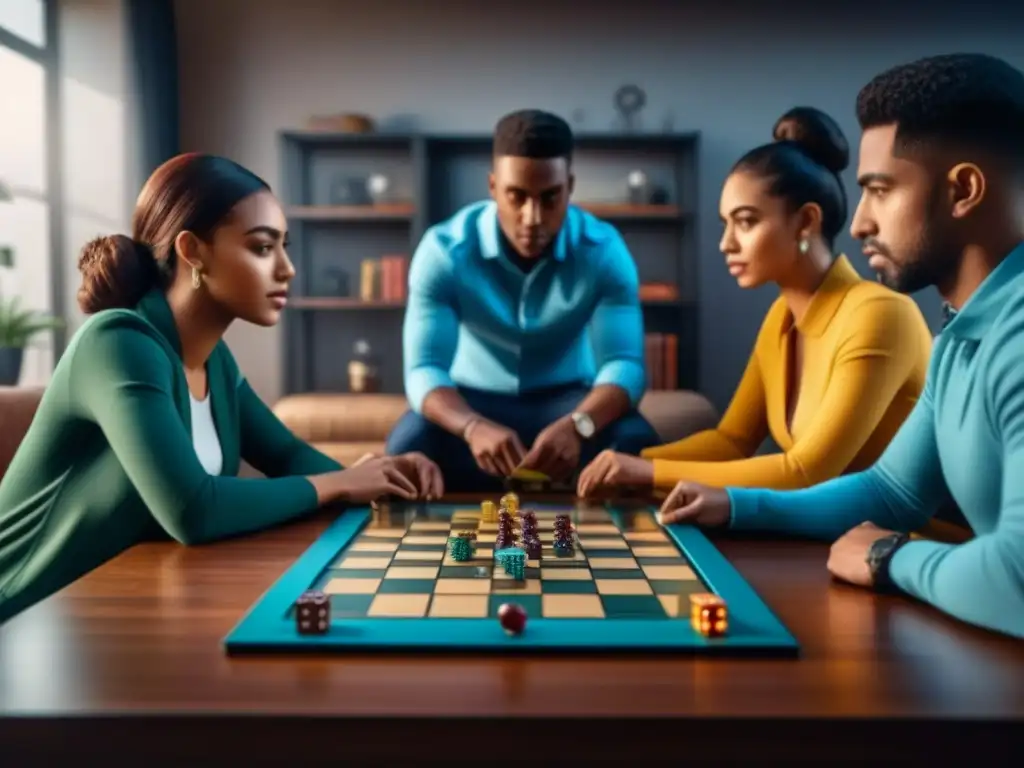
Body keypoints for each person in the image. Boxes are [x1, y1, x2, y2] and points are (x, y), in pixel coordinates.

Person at [657, 53, 1024, 639]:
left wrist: (888, 558)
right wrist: (735, 504)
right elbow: (893, 490)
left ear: (963, 190)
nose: (856, 224)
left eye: (880, 191)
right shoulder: (961, 334)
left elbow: (1016, 579)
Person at [0, 153, 442, 626]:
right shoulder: (117, 343)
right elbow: (193, 512)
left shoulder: (213, 359)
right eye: (262, 247)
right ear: (194, 251)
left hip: (107, 610)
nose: (288, 269)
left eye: (284, 247)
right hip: (27, 618)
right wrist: (338, 483)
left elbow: (286, 454)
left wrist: (379, 480)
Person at [577, 108, 933, 498]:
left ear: (805, 223)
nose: (726, 243)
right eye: (725, 223)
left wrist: (646, 471)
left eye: (745, 222)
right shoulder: (782, 317)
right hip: (818, 532)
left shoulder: (879, 315)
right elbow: (732, 441)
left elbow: (807, 472)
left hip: (906, 541)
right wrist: (614, 462)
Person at [385, 109, 661, 492]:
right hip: (473, 405)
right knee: (407, 448)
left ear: (570, 187)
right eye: (517, 196)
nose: (533, 217)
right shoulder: (443, 251)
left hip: (569, 403)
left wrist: (579, 425)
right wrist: (472, 426)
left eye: (550, 198)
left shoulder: (604, 250)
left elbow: (625, 364)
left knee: (636, 446)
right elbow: (424, 370)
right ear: (493, 187)